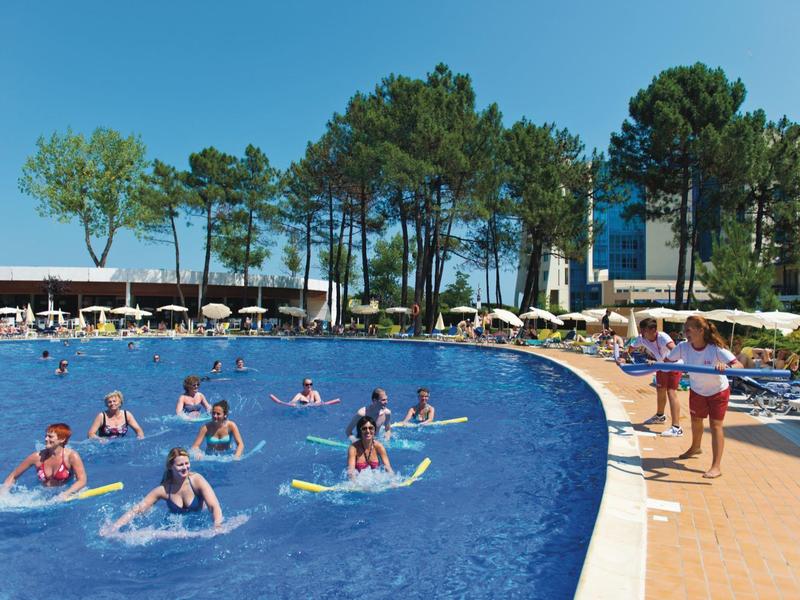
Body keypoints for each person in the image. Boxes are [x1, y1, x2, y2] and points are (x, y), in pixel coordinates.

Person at [666, 315, 743, 479]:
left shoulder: (715, 349)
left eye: (688, 330)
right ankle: (695, 447)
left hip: (718, 391)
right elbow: (666, 362)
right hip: (697, 390)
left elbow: (738, 365)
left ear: (701, 331)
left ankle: (716, 466)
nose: (685, 333)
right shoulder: (683, 348)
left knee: (715, 426)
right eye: (685, 330)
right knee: (695, 421)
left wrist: (725, 366)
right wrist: (653, 363)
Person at [109, 447, 222, 531]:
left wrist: (217, 525)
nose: (185, 468)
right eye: (180, 465)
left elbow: (214, 506)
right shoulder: (164, 490)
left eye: (187, 463)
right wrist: (115, 527)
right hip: (177, 527)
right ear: (170, 466)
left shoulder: (197, 480)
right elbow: (138, 509)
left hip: (201, 522)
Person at [627, 318, 683, 437]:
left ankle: (676, 427)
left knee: (671, 392)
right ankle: (660, 416)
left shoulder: (662, 337)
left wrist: (666, 361)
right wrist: (623, 356)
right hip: (660, 366)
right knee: (660, 390)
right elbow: (630, 348)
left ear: (653, 330)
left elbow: (676, 350)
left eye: (644, 330)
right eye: (641, 330)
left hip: (674, 365)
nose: (641, 333)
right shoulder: (642, 338)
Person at [2, 423, 87, 499]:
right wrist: (3, 493)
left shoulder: (71, 456)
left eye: (50, 436)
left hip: (64, 492)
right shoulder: (37, 457)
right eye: (46, 436)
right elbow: (13, 476)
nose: (46, 439)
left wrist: (66, 494)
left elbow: (82, 480)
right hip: (42, 494)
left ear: (62, 439)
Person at [347, 416, 393, 482]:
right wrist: (355, 485)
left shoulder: (379, 447)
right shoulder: (353, 448)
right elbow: (351, 471)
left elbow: (388, 468)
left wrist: (393, 481)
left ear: (374, 430)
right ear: (360, 431)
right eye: (364, 428)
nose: (368, 431)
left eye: (371, 428)